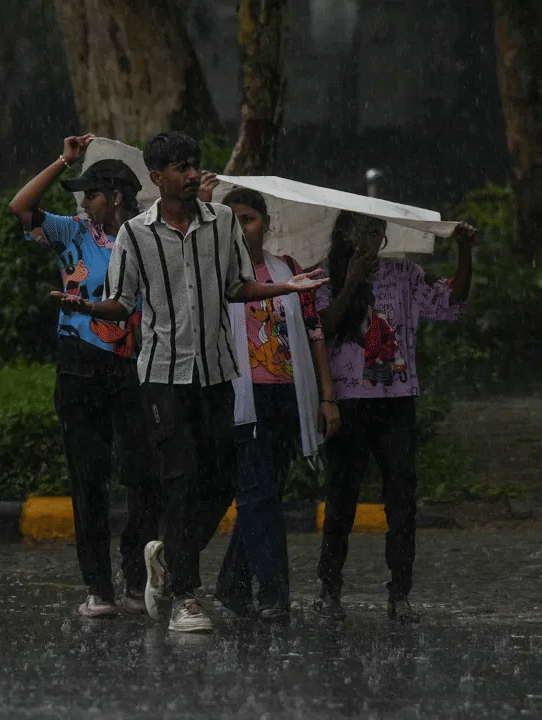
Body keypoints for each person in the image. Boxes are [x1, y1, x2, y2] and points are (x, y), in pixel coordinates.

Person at [50, 131, 327, 633]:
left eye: (195, 164)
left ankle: (170, 556)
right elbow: (123, 302)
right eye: (181, 167)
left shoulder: (222, 222)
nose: (193, 174)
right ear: (157, 178)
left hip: (217, 372)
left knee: (222, 479)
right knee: (180, 478)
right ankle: (186, 598)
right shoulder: (135, 234)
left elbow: (237, 286)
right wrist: (86, 307)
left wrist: (286, 287)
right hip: (163, 376)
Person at [7, 133, 162, 619]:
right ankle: (99, 588)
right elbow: (20, 207)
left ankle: (135, 578)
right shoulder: (73, 232)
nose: (83, 203)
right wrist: (63, 160)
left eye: (91, 194)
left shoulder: (148, 238)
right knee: (88, 477)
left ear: (115, 197)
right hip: (78, 366)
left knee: (143, 476)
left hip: (133, 367)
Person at [312, 211, 475, 624]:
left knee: (402, 499)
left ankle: (400, 592)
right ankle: (329, 587)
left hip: (396, 399)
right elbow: (323, 327)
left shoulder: (404, 274)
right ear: (346, 235)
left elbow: (451, 299)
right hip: (348, 400)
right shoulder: (324, 276)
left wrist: (464, 251)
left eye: (378, 231)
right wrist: (351, 280)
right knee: (341, 499)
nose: (371, 239)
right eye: (364, 230)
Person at [205, 187, 342, 623]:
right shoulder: (214, 271)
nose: (241, 228)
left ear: (265, 223)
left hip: (288, 394)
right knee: (258, 493)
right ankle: (273, 594)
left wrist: (327, 396)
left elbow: (315, 332)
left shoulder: (288, 270)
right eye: (232, 220)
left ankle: (232, 583)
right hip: (241, 397)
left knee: (265, 493)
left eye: (249, 219)